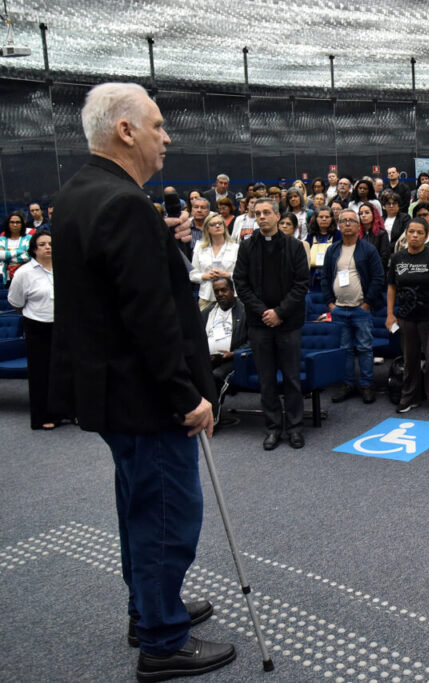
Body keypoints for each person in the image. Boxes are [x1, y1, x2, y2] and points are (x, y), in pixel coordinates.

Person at [49, 82, 235, 680]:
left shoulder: (78, 193)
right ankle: (162, 640)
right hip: (149, 397)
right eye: (157, 125)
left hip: (110, 394)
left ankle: (149, 610)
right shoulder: (125, 203)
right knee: (164, 516)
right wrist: (189, 398)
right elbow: (150, 320)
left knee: (139, 506)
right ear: (125, 131)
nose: (167, 136)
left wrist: (165, 248)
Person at [233, 197, 310, 451]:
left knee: (291, 379)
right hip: (258, 323)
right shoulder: (247, 247)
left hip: (288, 323)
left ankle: (296, 428)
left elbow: (301, 285)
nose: (262, 217)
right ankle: (273, 428)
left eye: (267, 212)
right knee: (266, 380)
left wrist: (279, 312)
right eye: (258, 213)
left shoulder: (295, 246)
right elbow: (240, 284)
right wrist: (264, 312)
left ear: (278, 216)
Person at [322, 208, 386, 405]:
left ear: (358, 226)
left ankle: (367, 384)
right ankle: (348, 384)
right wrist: (330, 303)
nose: (348, 224)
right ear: (339, 225)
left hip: (360, 308)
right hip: (339, 308)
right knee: (345, 349)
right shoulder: (333, 249)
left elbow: (378, 277)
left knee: (365, 348)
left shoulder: (368, 249)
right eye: (344, 221)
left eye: (352, 221)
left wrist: (367, 303)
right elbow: (325, 277)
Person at [386, 217, 429, 414]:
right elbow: (391, 288)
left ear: (426, 235)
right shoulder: (397, 258)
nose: (415, 235)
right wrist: (390, 314)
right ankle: (409, 396)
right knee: (409, 359)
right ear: (406, 234)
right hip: (405, 317)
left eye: (419, 232)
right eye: (411, 231)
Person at [7, 230, 63, 430]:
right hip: (37, 325)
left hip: (62, 325)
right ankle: (43, 416)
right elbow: (15, 301)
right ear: (33, 249)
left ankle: (68, 413)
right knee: (41, 372)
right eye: (42, 244)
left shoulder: (64, 268)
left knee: (66, 370)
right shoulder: (24, 272)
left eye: (50, 243)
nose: (47, 247)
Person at [201, 276, 247, 422]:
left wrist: (233, 354)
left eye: (223, 290)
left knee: (216, 375)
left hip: (236, 359)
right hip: (210, 358)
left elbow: (254, 341)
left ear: (232, 291)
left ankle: (212, 418)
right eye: (217, 291)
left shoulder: (244, 311)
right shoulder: (208, 312)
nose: (220, 294)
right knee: (193, 372)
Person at [189, 214, 238, 310]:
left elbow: (241, 274)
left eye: (220, 223)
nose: (217, 226)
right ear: (207, 229)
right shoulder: (200, 247)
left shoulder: (236, 247)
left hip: (230, 296)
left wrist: (227, 274)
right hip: (207, 297)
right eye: (213, 224)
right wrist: (205, 276)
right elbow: (192, 275)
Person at [307, 207, 342, 288]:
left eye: (327, 217)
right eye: (321, 217)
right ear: (316, 219)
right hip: (313, 280)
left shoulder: (338, 235)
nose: (324, 219)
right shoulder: (310, 236)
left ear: (332, 219)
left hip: (332, 279)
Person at [356, 202, 392, 270]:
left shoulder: (381, 233)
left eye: (367, 212)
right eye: (361, 213)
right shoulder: (357, 234)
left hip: (377, 270)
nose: (363, 215)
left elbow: (384, 257)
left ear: (374, 214)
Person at [1, 211, 32, 285]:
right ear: (8, 224)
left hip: (27, 276)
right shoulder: (2, 239)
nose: (15, 225)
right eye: (12, 222)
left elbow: (28, 256)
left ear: (22, 224)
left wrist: (7, 256)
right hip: (9, 277)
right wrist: (20, 251)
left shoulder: (28, 238)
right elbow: (1, 256)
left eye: (18, 222)